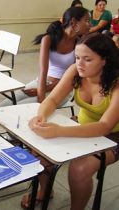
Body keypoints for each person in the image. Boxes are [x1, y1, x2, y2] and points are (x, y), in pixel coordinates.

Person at [25, 33, 119, 210]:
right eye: (77, 57)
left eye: (87, 59)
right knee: (38, 150)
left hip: (113, 135)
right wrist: (41, 116)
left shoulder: (116, 83)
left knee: (79, 169)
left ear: (105, 60)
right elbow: (52, 100)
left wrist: (59, 131)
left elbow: (105, 126)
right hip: (81, 124)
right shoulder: (76, 71)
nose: (79, 64)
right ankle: (45, 191)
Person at [0, 7, 90, 107]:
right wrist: (40, 92)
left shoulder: (80, 45)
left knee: (19, 108)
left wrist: (41, 96)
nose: (90, 25)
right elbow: (43, 71)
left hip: (63, 89)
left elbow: (74, 78)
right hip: (41, 82)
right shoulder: (48, 39)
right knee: (3, 106)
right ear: (73, 22)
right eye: (87, 20)